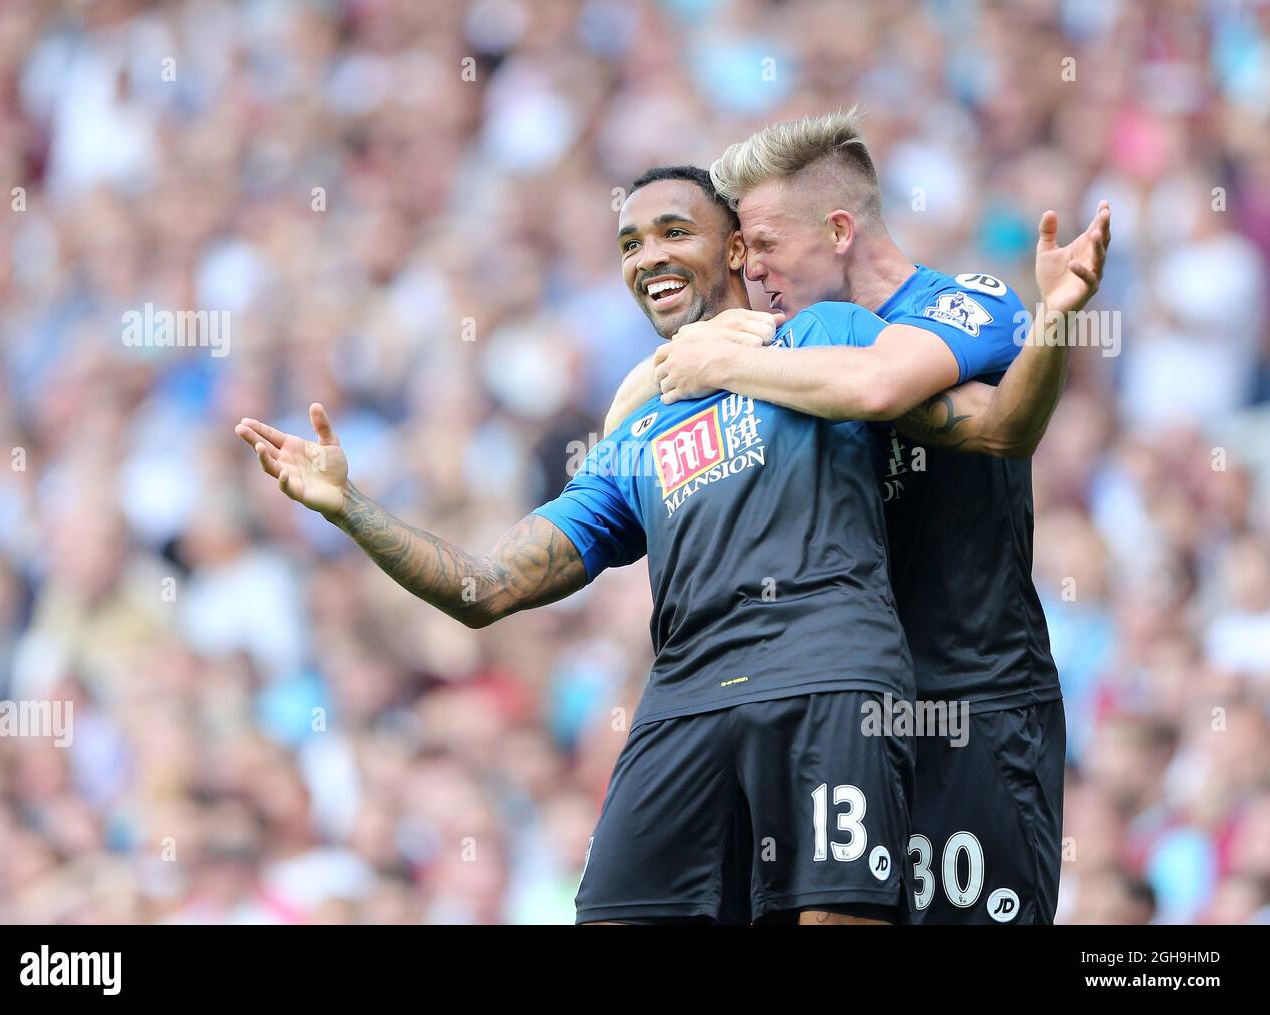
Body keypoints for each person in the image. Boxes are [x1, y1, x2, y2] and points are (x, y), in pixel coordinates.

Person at [235, 165, 998, 925]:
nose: (648, 256)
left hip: (828, 676)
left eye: (674, 232)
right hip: (685, 700)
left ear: (736, 250)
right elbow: (488, 587)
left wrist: (1050, 329)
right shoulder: (638, 433)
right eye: (630, 243)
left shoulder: (824, 332)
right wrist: (351, 508)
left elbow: (979, 420)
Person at [605, 112, 1110, 924]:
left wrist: (1054, 322)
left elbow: (976, 417)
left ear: (838, 229)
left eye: (763, 244)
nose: (751, 267)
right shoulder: (780, 350)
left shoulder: (960, 306)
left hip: (969, 701)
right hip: (831, 714)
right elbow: (635, 433)